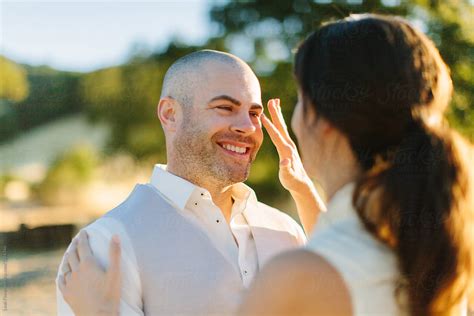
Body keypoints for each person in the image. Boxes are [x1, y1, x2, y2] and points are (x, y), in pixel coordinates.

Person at [56, 50, 325, 315]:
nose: (248, 126)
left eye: (254, 113)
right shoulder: (106, 243)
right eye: (225, 107)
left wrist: (303, 188)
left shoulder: (287, 230)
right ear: (170, 113)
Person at [239, 14, 474, 316]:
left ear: (323, 118)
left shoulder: (294, 277)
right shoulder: (438, 253)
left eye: (300, 97)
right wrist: (304, 189)